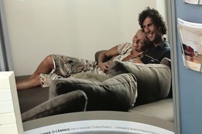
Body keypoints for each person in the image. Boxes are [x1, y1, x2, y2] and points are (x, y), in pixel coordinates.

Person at [16, 29, 148, 91]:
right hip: (92, 66)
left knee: (42, 79)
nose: (135, 42)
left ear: (145, 45)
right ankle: (27, 83)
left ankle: (13, 89)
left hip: (95, 78)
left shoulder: (138, 62)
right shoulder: (126, 46)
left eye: (140, 42)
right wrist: (101, 63)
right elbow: (104, 54)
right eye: (135, 37)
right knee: (50, 59)